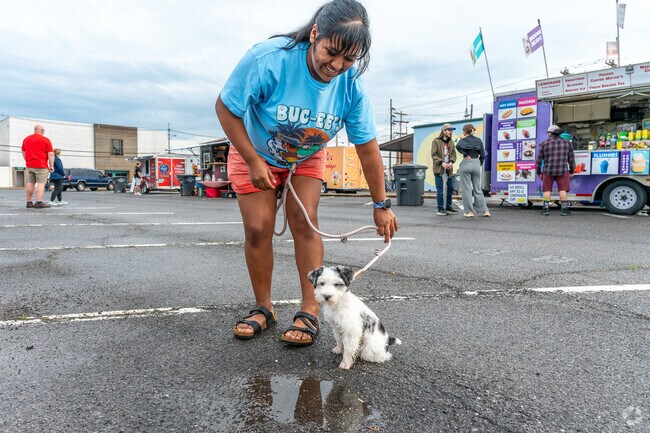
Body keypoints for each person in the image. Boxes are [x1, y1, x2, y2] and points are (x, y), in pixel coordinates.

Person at [216, 0, 397, 346]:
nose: (337, 65)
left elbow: (367, 147)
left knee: (304, 219)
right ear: (315, 34)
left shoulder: (350, 88)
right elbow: (226, 107)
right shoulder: (268, 59)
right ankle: (263, 308)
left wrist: (381, 203)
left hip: (305, 157)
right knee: (258, 228)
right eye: (332, 53)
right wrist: (254, 161)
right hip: (252, 150)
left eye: (348, 60)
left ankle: (310, 309)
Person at [536, 125, 575, 216]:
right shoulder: (567, 143)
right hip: (562, 170)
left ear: (550, 133)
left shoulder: (544, 144)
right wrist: (571, 171)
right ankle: (564, 210)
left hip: (547, 171)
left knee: (547, 190)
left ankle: (545, 209)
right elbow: (571, 159)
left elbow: (538, 160)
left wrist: (538, 172)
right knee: (563, 190)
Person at [456, 123, 490, 218]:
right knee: (477, 189)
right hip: (476, 163)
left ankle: (469, 212)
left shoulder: (463, 140)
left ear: (465, 131)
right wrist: (479, 163)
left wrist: (466, 155)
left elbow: (458, 146)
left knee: (466, 189)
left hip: (467, 163)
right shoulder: (478, 140)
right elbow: (483, 155)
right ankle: (485, 210)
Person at [22, 124, 54, 209]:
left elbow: (23, 151)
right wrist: (51, 165)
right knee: (41, 183)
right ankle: (39, 202)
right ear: (42, 131)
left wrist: (27, 160)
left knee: (30, 182)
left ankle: (29, 202)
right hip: (41, 165)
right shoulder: (45, 140)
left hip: (30, 165)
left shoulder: (26, 139)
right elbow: (50, 153)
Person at [430, 123, 458, 215]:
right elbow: (433, 155)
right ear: (443, 131)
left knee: (450, 188)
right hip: (439, 168)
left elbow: (454, 154)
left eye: (451, 130)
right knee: (440, 190)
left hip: (449, 168)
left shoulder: (451, 142)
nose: (451, 132)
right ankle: (440, 208)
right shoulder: (436, 141)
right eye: (449, 130)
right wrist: (442, 162)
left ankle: (448, 206)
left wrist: (451, 162)